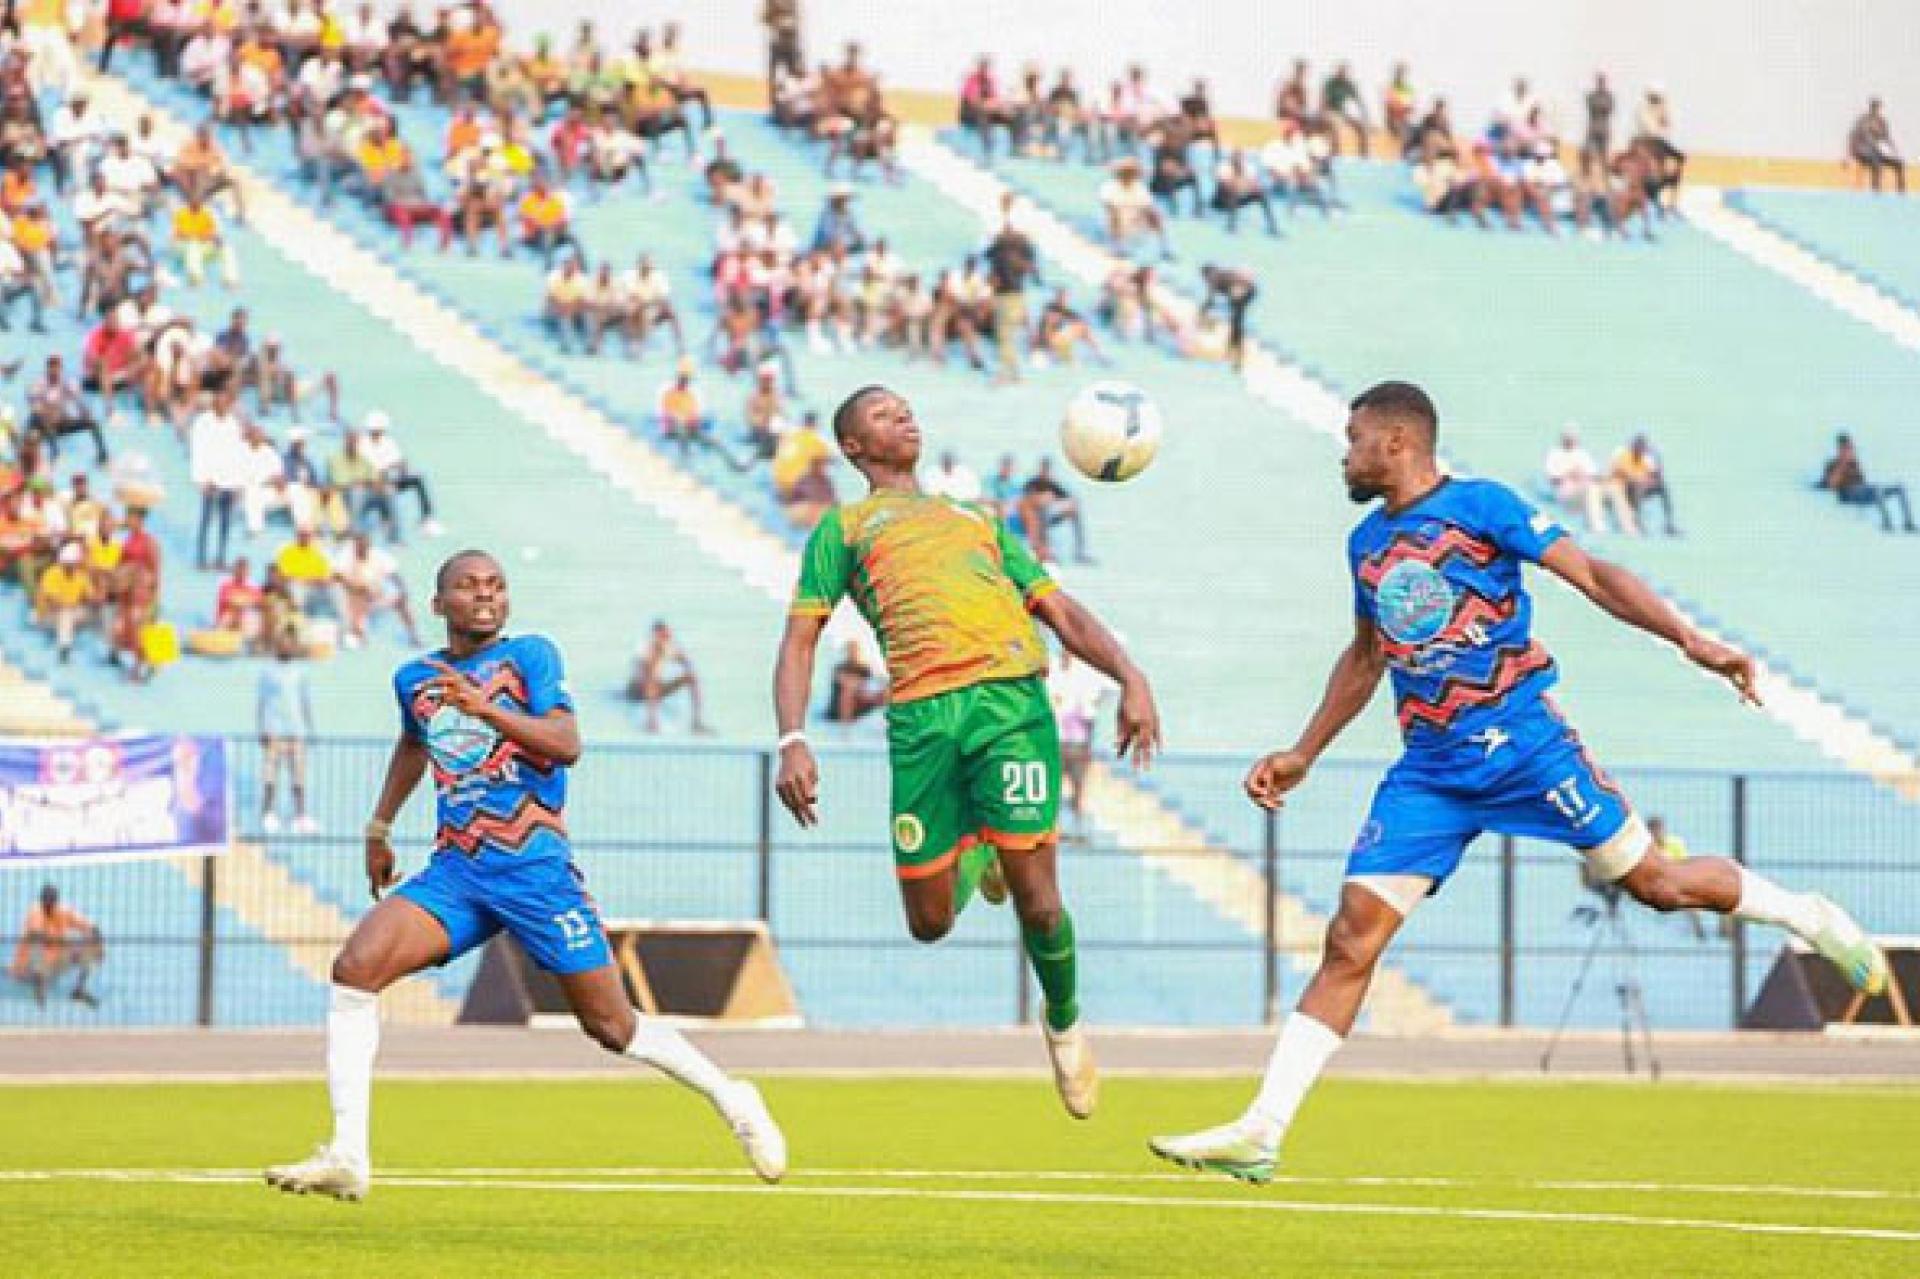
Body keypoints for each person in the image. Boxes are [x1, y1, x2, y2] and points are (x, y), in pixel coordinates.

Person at [1148, 381, 1890, 1183]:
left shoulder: (1482, 508)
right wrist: (1305, 751)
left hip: (1528, 747)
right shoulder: (1366, 544)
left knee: (1658, 883)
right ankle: (1263, 1128)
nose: (1345, 450)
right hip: (1430, 770)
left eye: (1355, 435)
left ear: (1397, 441)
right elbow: (1367, 657)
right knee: (1349, 938)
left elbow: (1596, 577)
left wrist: (1690, 639)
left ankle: (1805, 914)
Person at [266, 550, 785, 1201]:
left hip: (535, 870)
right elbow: (414, 743)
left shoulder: (531, 656)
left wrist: (487, 709)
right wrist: (379, 826)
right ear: (438, 603)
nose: (484, 595)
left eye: (495, 585)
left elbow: (565, 742)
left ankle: (733, 1097)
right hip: (456, 871)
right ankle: (349, 1152)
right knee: (355, 967)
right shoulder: (414, 679)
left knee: (612, 1027)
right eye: (468, 585)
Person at [773, 386, 1162, 1119]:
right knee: (928, 921)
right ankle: (979, 845)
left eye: (907, 408)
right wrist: (793, 737)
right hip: (921, 719)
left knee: (1039, 898)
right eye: (885, 414)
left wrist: (1130, 675)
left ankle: (1066, 1020)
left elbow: (1059, 608)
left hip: (1010, 703)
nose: (906, 417)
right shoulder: (846, 528)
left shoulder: (976, 519)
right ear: (854, 447)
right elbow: (799, 640)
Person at [258, 631, 317, 836]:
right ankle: (268, 813)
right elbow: (262, 702)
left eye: (289, 644)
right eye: (282, 644)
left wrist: (309, 728)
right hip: (274, 730)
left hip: (296, 731)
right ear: (276, 647)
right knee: (270, 776)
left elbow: (305, 701)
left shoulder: (300, 672)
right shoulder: (267, 672)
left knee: (298, 777)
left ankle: (300, 816)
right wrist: (263, 728)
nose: (286, 648)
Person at [1049, 649, 1112, 839]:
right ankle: (1055, 828)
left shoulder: (1082, 678)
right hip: (1057, 743)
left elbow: (1090, 714)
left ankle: (1078, 829)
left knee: (1078, 790)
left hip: (1077, 744)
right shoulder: (1053, 674)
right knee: (1054, 791)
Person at [10, 885, 103, 1008]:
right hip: (27, 969)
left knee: (89, 951)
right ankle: (39, 988)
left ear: (56, 901)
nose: (48, 905)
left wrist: (99, 946)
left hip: (53, 964)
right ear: (41, 900)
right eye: (45, 902)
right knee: (36, 947)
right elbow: (39, 937)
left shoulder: (64, 911)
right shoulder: (35, 912)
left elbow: (92, 928)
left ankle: (78, 991)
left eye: (51, 902)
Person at [626, 620, 713, 734]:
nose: (667, 637)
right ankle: (652, 723)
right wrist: (658, 653)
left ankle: (696, 721)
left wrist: (681, 658)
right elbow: (645, 672)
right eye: (664, 635)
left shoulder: (668, 647)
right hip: (637, 691)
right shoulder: (644, 648)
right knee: (651, 681)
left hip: (656, 688)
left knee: (691, 677)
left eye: (668, 634)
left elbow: (685, 662)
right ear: (656, 635)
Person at [1543, 427, 1635, 535]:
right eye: (1568, 438)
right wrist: (1572, 474)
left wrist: (1603, 479)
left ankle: (1629, 527)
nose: (1571, 440)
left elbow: (1594, 475)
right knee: (1592, 489)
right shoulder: (1554, 454)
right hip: (1568, 495)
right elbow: (1554, 479)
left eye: (1573, 438)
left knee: (1614, 487)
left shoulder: (1582, 454)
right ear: (1563, 438)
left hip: (1587, 487)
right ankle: (1597, 527)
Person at [1818, 432, 1916, 533]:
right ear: (1839, 449)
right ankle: (1887, 523)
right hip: (1848, 495)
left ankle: (1908, 523)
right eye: (1846, 448)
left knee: (1899, 488)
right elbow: (1831, 484)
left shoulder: (1854, 464)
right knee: (1876, 490)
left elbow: (1862, 481)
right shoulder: (1832, 464)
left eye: (1850, 447)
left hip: (1863, 491)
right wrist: (1842, 463)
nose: (1850, 450)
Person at [1611, 434, 1677, 536]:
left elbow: (1654, 475)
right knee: (1637, 487)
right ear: (1633, 446)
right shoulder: (1624, 456)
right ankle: (1637, 521)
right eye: (1639, 446)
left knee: (1662, 487)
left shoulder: (1644, 459)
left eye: (1643, 447)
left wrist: (1653, 479)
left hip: (1641, 485)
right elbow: (1625, 475)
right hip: (1625, 489)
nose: (1641, 449)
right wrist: (1641, 480)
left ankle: (1669, 523)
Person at [1198, 264, 1257, 371]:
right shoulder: (1218, 278)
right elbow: (1211, 301)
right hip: (1243, 289)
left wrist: (1203, 314)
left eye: (1205, 279)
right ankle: (1235, 351)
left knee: (1236, 320)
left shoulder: (1217, 279)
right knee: (1231, 316)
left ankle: (1237, 354)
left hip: (1245, 290)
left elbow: (1211, 300)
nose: (1205, 282)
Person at [1847, 99, 1905, 194]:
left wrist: (1894, 150)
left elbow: (1886, 138)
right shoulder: (1863, 120)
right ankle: (1876, 192)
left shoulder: (1882, 122)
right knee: (1876, 164)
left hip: (1876, 153)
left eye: (1877, 107)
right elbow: (1852, 137)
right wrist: (1848, 155)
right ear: (1870, 107)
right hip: (1861, 152)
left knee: (1899, 164)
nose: (1875, 110)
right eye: (1874, 107)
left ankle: (1901, 193)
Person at [825, 640, 885, 724]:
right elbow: (842, 682)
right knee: (849, 689)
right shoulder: (841, 668)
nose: (854, 653)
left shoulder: (864, 670)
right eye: (851, 651)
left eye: (856, 651)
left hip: (860, 703)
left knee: (886, 691)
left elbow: (871, 686)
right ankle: (845, 723)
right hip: (839, 709)